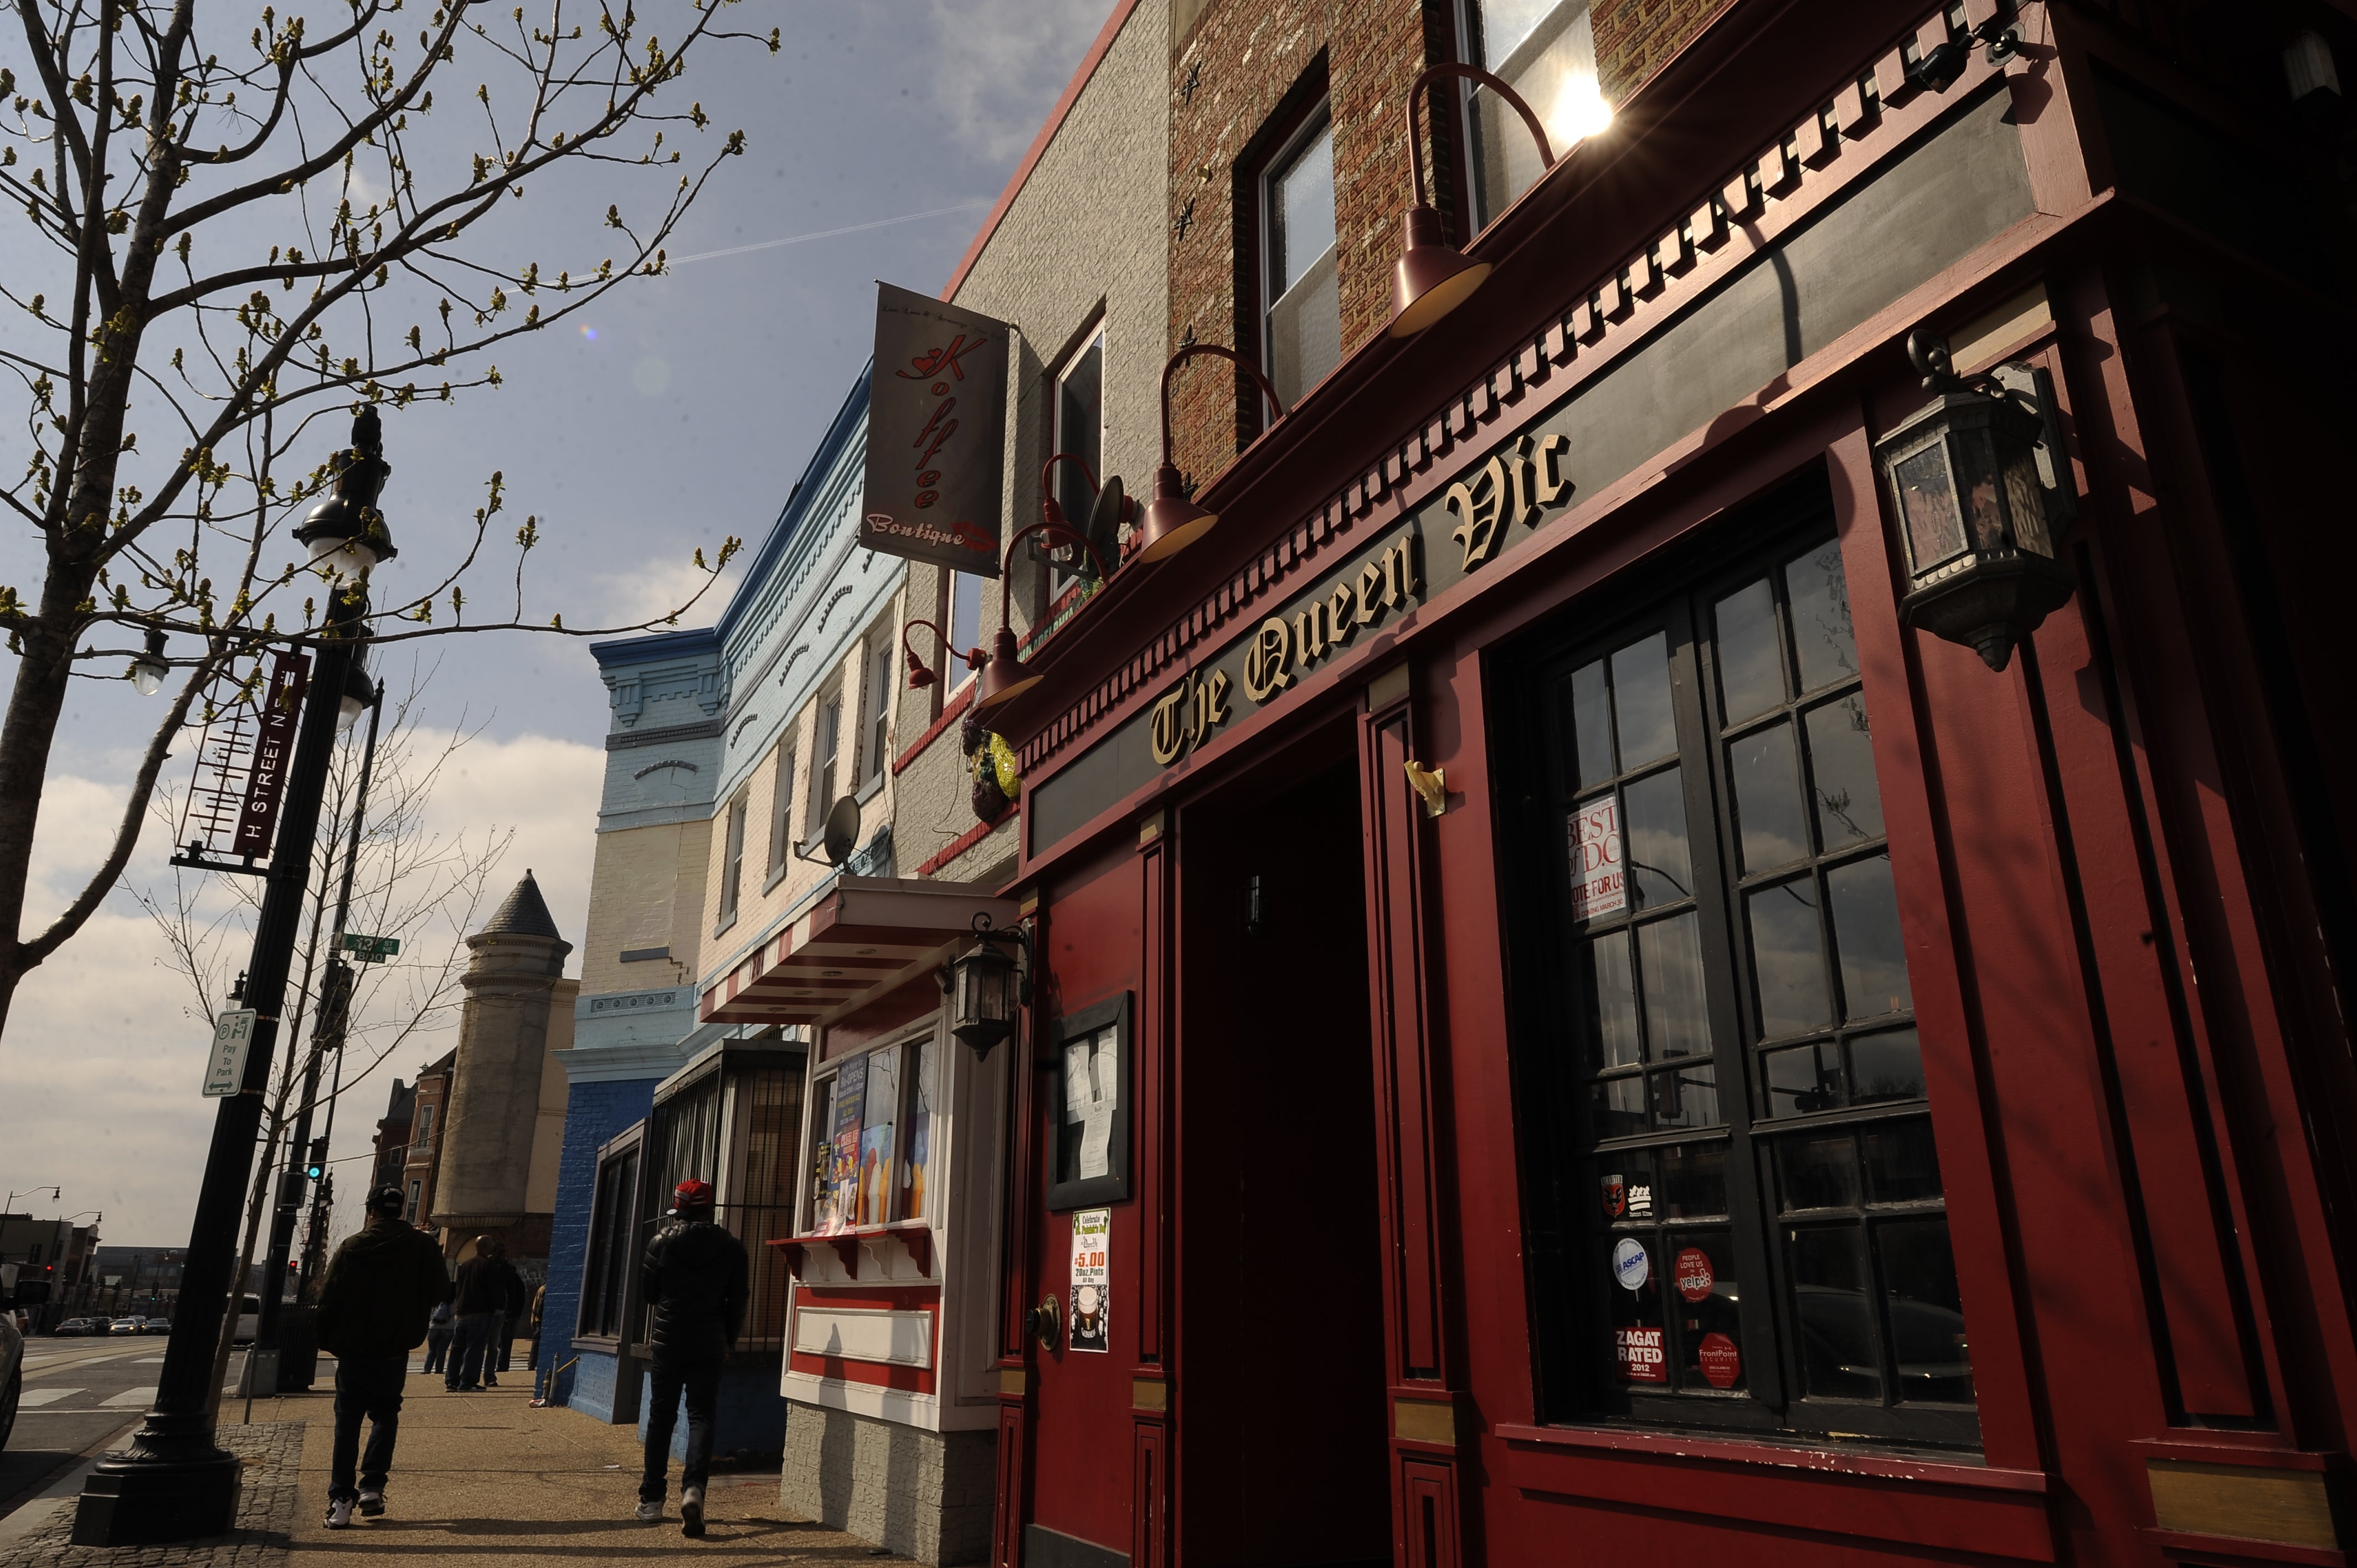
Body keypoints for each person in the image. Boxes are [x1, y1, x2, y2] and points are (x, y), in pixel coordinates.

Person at [316, 1185, 452, 1529]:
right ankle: (372, 1487)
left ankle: (341, 1498)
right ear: (400, 1209)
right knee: (386, 1414)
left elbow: (330, 1296)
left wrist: (328, 1339)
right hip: (395, 1346)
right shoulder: (423, 1246)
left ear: (371, 1210)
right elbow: (440, 1291)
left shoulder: (352, 1247)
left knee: (347, 1422)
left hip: (354, 1346)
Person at [636, 1178, 747, 1538]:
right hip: (709, 1343)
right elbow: (738, 1303)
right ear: (708, 1207)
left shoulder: (660, 1242)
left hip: (669, 1342)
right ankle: (694, 1490)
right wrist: (727, 1340)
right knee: (701, 1416)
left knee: (661, 1418)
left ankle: (652, 1500)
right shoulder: (732, 1248)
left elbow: (649, 1294)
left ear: (679, 1207)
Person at [446, 1235, 505, 1391]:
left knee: (458, 1348)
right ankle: (468, 1382)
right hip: (481, 1312)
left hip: (462, 1312)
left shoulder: (465, 1265)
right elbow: (494, 1291)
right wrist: (495, 1309)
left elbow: (459, 1287)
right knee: (475, 1349)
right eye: (491, 1245)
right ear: (486, 1247)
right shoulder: (488, 1265)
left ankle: (452, 1381)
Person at [421, 1299, 454, 1375]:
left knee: (431, 1350)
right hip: (449, 1327)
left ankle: (427, 1369)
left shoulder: (437, 1299)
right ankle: (439, 1370)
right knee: (441, 1351)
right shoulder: (454, 1300)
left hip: (434, 1326)